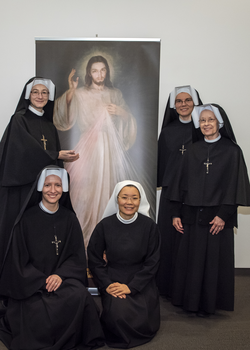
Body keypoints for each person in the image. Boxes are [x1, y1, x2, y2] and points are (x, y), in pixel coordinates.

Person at [0, 166, 104, 350]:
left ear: (63, 188)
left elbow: (76, 256)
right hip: (32, 284)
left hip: (62, 280)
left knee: (80, 296)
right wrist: (41, 280)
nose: (53, 190)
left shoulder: (70, 219)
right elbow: (18, 260)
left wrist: (60, 275)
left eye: (58, 185)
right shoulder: (25, 220)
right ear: (40, 187)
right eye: (48, 185)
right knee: (38, 309)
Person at [171, 104, 250, 316]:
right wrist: (176, 213)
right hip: (191, 216)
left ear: (219, 123)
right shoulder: (192, 150)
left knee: (213, 261)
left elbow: (235, 186)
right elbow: (181, 185)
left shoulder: (232, 151)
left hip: (217, 218)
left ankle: (210, 304)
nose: (206, 124)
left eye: (211, 120)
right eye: (203, 120)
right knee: (190, 259)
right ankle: (188, 302)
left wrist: (224, 215)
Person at [53, 56, 137, 247]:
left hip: (109, 150)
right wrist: (71, 91)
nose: (99, 74)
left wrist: (121, 112)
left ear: (107, 72)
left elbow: (129, 118)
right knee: (83, 192)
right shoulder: (81, 93)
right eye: (94, 70)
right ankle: (80, 242)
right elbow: (63, 116)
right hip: (87, 148)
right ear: (89, 73)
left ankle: (103, 243)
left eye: (102, 70)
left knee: (107, 191)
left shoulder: (115, 94)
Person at [0, 77, 79, 274]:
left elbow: (52, 167)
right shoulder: (19, 120)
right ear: (28, 95)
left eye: (44, 92)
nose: (40, 96)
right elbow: (23, 152)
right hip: (21, 190)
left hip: (41, 194)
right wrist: (55, 155)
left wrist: (57, 159)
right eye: (36, 92)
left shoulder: (50, 126)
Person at [87, 181, 160, 348]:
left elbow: (152, 262)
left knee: (142, 317)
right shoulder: (104, 225)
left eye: (134, 198)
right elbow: (94, 259)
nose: (129, 202)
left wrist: (132, 287)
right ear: (117, 199)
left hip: (141, 279)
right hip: (113, 277)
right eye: (124, 197)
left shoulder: (149, 226)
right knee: (117, 314)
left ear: (140, 201)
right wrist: (107, 284)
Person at [156, 85, 203, 298]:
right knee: (168, 239)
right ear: (173, 106)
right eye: (179, 101)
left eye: (187, 100)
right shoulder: (167, 132)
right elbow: (161, 163)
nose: (183, 105)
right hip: (170, 194)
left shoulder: (203, 129)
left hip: (197, 193)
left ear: (196, 103)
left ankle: (190, 288)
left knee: (191, 241)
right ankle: (166, 286)